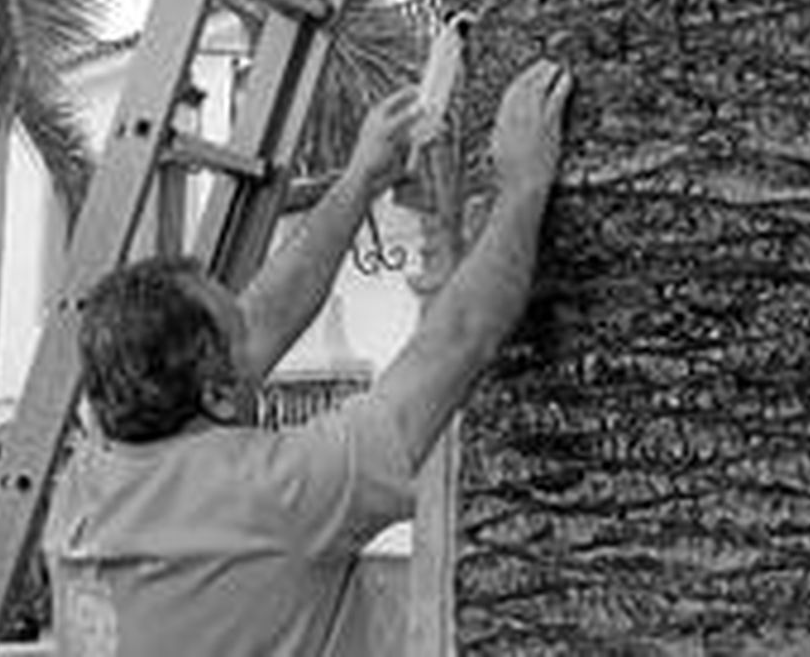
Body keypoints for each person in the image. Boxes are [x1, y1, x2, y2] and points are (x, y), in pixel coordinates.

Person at [43, 59, 573, 657]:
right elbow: (460, 339)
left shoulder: (86, 485)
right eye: (234, 332)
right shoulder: (276, 496)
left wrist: (359, 181)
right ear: (216, 394)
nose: (253, 326)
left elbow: (260, 322)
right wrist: (525, 182)